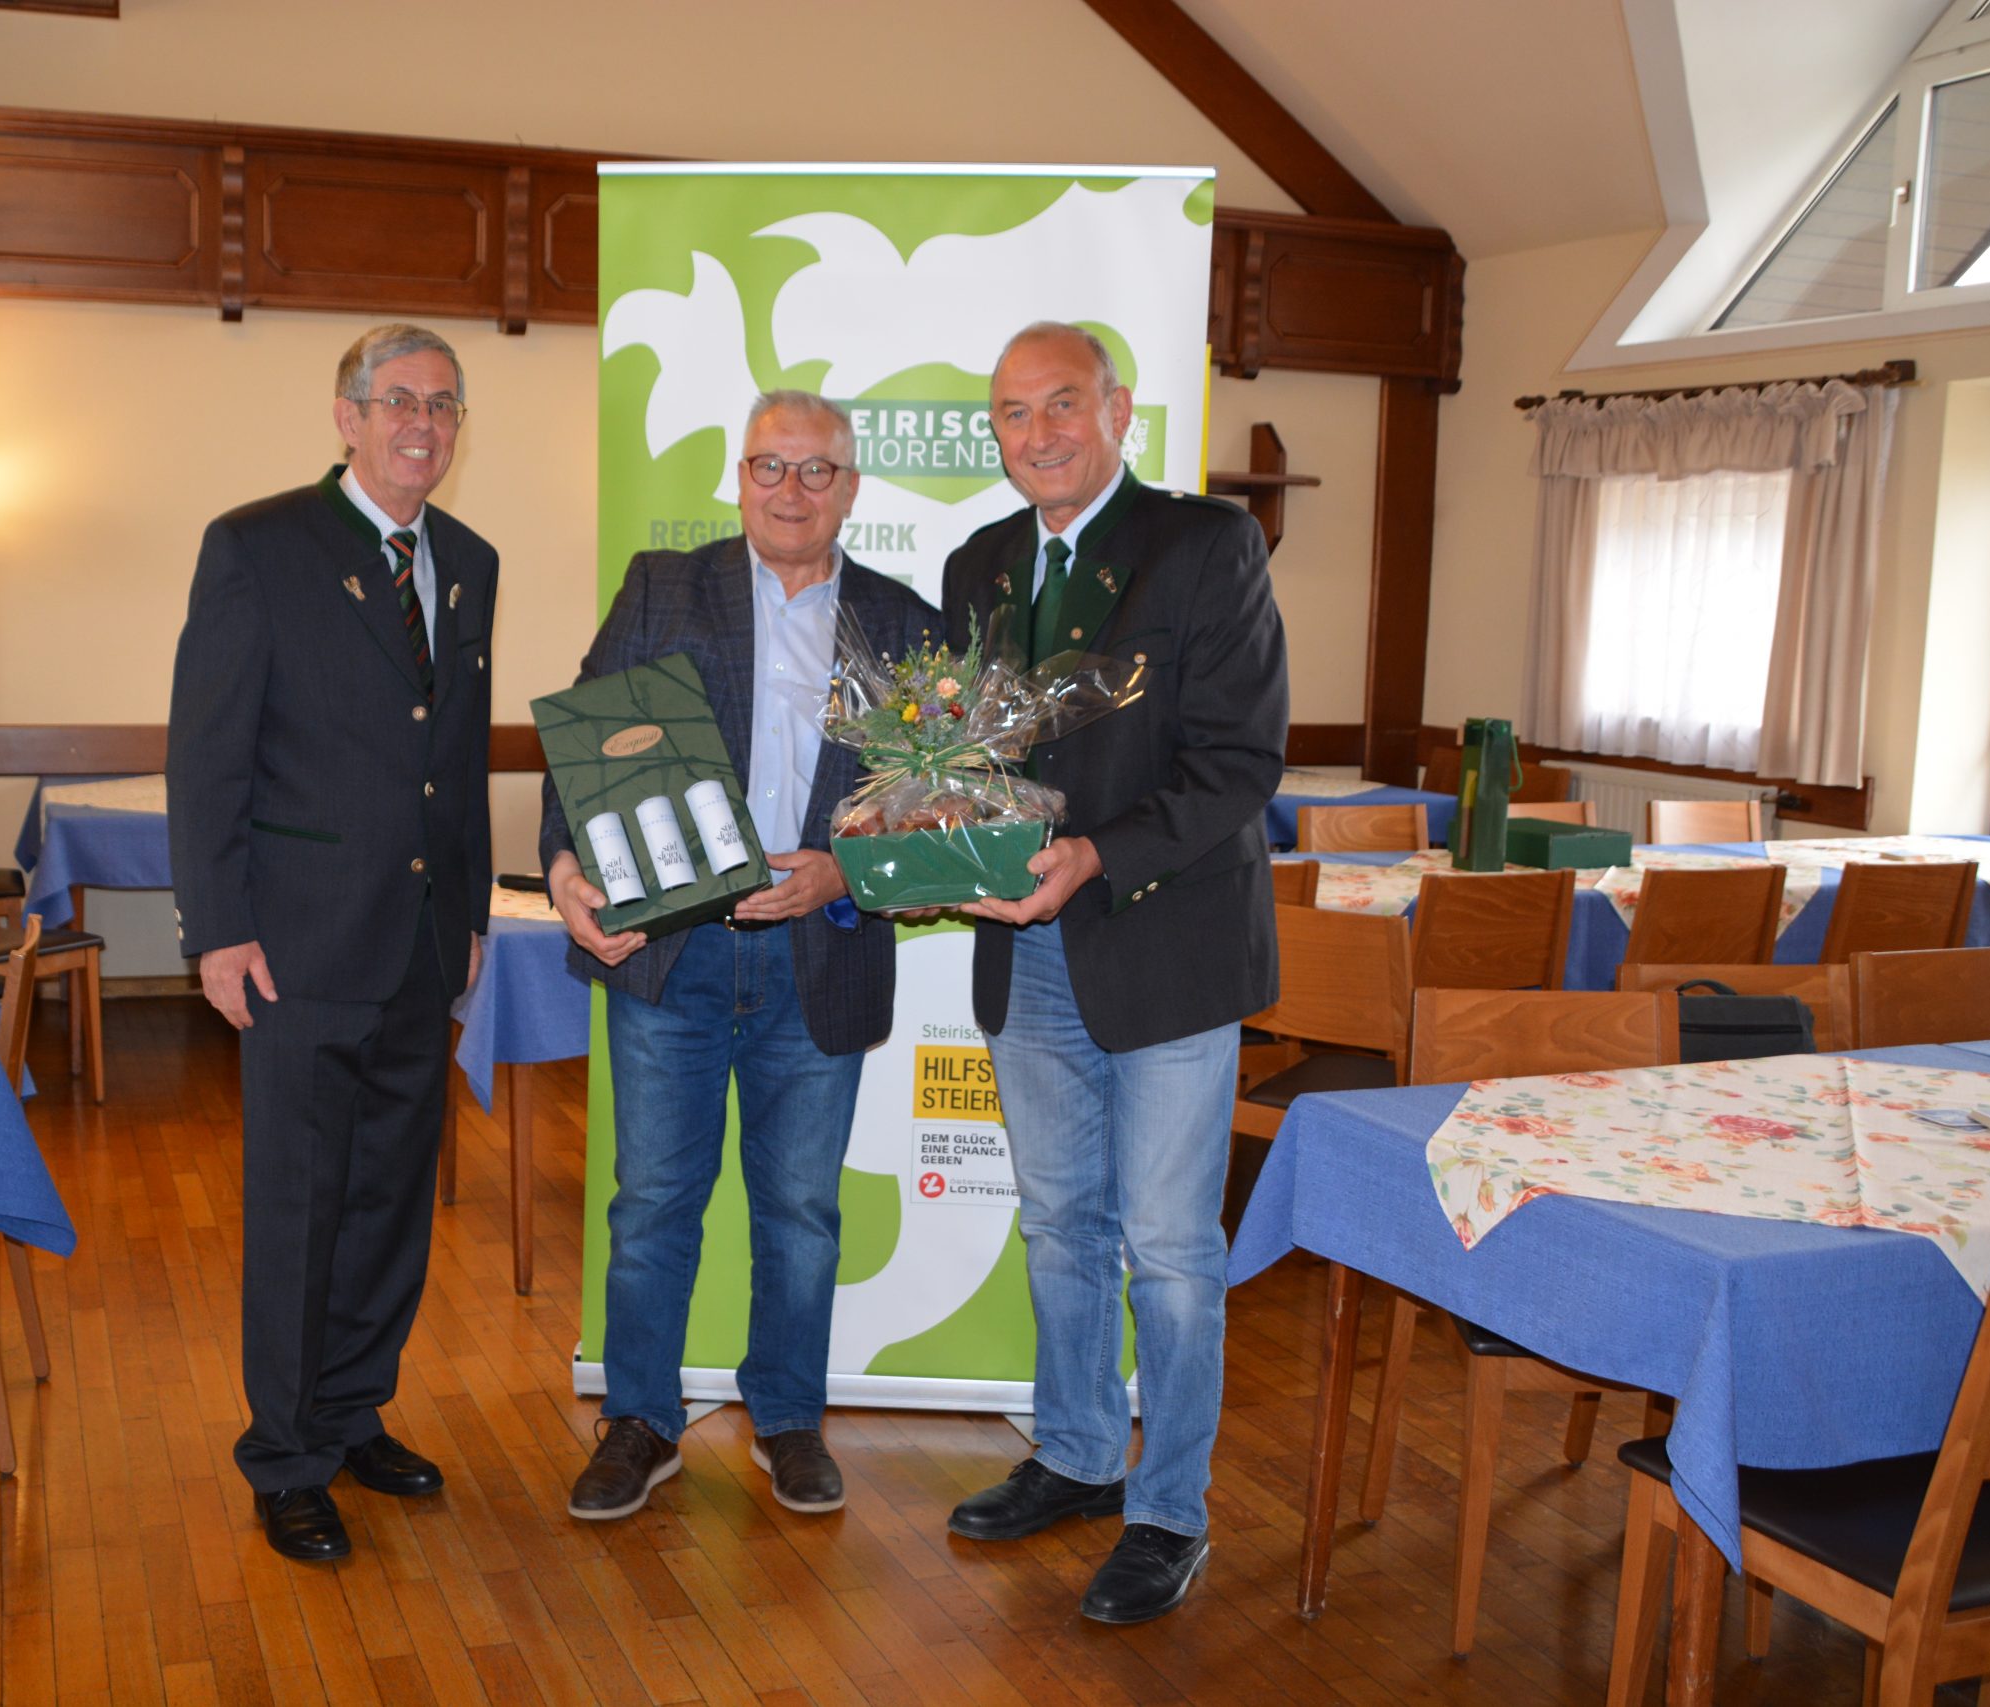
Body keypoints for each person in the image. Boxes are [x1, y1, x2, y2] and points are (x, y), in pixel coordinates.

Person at [937, 323, 1287, 1624]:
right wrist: (932, 817)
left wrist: (1093, 854)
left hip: (1167, 949)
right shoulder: (979, 563)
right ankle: (1080, 1453)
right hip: (1023, 950)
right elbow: (961, 750)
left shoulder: (1206, 545)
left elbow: (1239, 761)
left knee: (1172, 1251)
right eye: (1012, 413)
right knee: (1060, 1225)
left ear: (1118, 408)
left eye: (1061, 404)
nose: (1037, 434)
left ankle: (1169, 1509)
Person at [540, 390, 935, 1521]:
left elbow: (931, 816)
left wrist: (840, 873)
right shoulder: (663, 587)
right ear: (740, 476)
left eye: (817, 471)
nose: (790, 491)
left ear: (850, 488)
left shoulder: (903, 624)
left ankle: (789, 1417)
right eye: (770, 466)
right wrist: (565, 868)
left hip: (820, 951)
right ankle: (640, 1421)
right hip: (671, 954)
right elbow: (584, 749)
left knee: (802, 1211)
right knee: (652, 1205)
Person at [167, 323, 496, 1563]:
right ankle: (286, 1456)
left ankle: (353, 1414)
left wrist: (470, 914)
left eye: (444, 405)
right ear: (347, 416)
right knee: (301, 1209)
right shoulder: (256, 546)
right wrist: (218, 930)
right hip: (297, 946)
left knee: (390, 1203)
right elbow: (206, 753)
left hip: (422, 943)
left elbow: (455, 754)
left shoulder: (468, 560)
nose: (423, 423)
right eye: (398, 400)